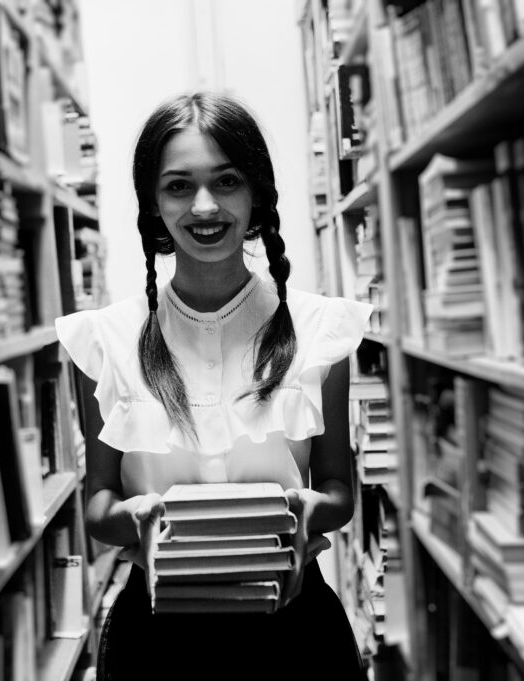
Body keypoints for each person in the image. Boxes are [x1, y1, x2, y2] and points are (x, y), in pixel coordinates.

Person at [54, 91, 373, 680]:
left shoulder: (320, 329)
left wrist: (304, 513)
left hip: (295, 632)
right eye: (178, 186)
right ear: (153, 205)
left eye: (226, 181)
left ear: (257, 195)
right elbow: (97, 504)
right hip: (155, 639)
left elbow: (338, 489)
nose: (204, 206)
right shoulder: (106, 340)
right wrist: (138, 520)